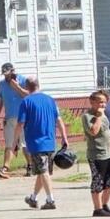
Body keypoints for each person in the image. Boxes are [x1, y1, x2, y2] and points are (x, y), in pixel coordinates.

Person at [16, 77, 69, 211]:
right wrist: (64, 137)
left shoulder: (26, 101)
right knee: (42, 171)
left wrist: (14, 141)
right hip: (50, 141)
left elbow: (20, 123)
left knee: (43, 171)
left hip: (36, 142)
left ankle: (50, 200)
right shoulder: (50, 100)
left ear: (27, 87)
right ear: (38, 85)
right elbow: (59, 120)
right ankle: (33, 198)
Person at [83, 89, 110, 218]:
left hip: (109, 153)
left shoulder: (103, 115)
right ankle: (97, 209)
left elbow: (106, 130)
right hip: (97, 155)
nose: (102, 105)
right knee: (98, 181)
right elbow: (94, 131)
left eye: (104, 102)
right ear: (92, 102)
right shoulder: (88, 116)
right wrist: (98, 116)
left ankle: (104, 205)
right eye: (99, 102)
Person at [0, 62, 28, 179]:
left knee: (24, 144)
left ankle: (30, 165)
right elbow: (0, 101)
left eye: (7, 74)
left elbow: (28, 96)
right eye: (4, 75)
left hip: (23, 118)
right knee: (9, 144)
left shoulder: (23, 80)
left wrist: (17, 87)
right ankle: (5, 168)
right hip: (9, 118)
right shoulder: (2, 84)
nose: (6, 77)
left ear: (13, 71)